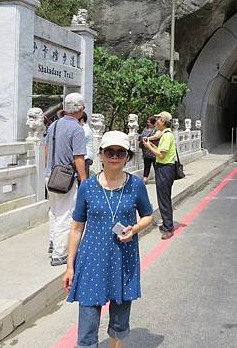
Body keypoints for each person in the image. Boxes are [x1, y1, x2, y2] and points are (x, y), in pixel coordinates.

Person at [64, 131, 154, 348]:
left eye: (120, 152)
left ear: (127, 156)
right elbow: (76, 228)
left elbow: (148, 215)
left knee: (120, 313)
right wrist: (69, 266)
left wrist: (135, 229)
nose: (115, 157)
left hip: (124, 257)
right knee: (87, 316)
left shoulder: (135, 185)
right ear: (101, 154)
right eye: (110, 152)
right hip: (92, 258)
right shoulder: (88, 187)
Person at [44, 92, 87, 266]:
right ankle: (60, 253)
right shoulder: (77, 128)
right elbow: (78, 157)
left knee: (54, 211)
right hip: (65, 178)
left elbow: (46, 149)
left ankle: (54, 243)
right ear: (81, 109)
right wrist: (84, 180)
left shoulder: (53, 125)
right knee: (65, 214)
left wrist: (49, 168)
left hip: (50, 175)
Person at [143, 111, 177, 240]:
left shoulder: (167, 136)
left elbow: (161, 155)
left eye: (158, 119)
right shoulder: (164, 134)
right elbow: (159, 151)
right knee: (163, 198)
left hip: (165, 169)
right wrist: (150, 144)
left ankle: (168, 228)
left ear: (163, 121)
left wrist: (147, 146)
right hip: (163, 168)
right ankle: (167, 224)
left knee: (164, 199)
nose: (156, 121)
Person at [138, 116, 161, 185]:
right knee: (146, 165)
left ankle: (158, 179)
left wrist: (147, 138)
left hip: (154, 150)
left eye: (149, 122)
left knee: (156, 166)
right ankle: (145, 178)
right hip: (146, 151)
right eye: (147, 122)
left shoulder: (156, 130)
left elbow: (157, 137)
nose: (148, 123)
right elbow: (141, 136)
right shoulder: (145, 129)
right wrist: (142, 139)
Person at [79, 112, 94, 178]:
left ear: (82, 120)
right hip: (85, 157)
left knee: (84, 178)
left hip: (86, 158)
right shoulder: (84, 129)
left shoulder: (85, 130)